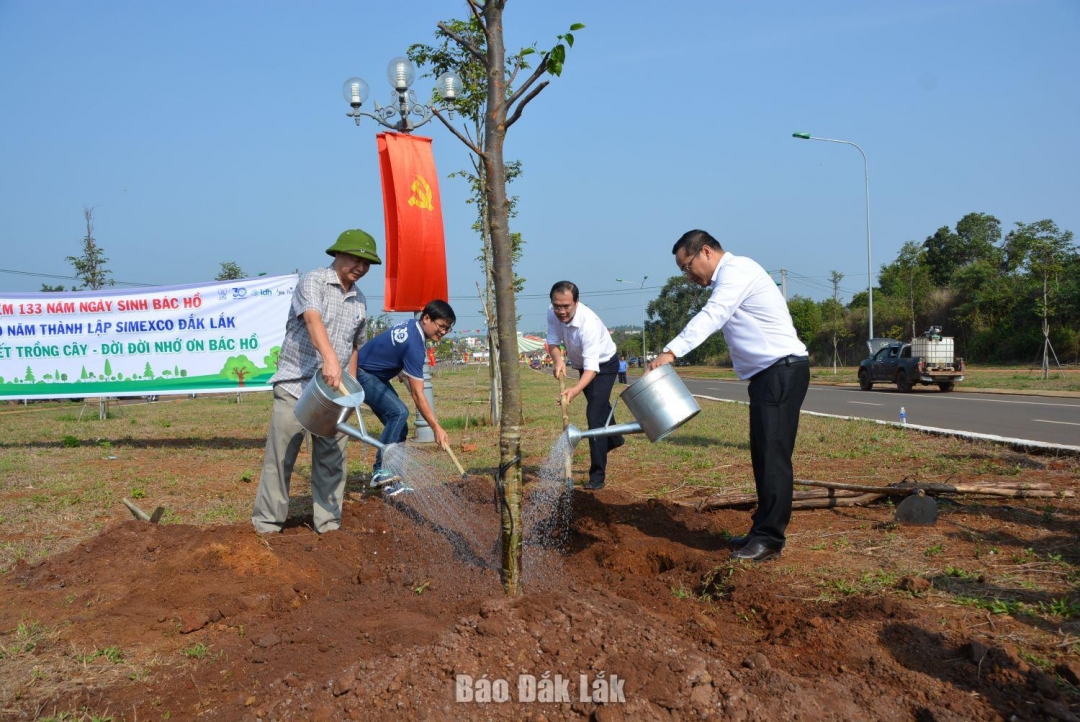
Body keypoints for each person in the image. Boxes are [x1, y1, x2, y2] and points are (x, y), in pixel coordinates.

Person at [647, 229, 809, 562]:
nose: (688, 276)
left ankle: (770, 539)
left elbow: (712, 315)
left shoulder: (737, 272)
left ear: (705, 251)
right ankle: (761, 529)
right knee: (763, 455)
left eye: (687, 266)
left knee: (773, 457)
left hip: (781, 370)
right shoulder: (730, 277)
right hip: (769, 375)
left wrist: (672, 351)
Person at [251, 229, 378, 534]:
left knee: (332, 458)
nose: (360, 267)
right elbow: (312, 319)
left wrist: (348, 387)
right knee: (281, 456)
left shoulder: (359, 301)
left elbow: (355, 346)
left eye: (367, 262)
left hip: (333, 392)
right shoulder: (314, 281)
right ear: (337, 255)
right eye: (354, 258)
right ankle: (267, 527)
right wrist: (330, 359)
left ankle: (329, 526)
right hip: (297, 383)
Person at [355, 299, 456, 495]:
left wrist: (399, 369)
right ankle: (380, 471)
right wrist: (436, 427)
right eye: (441, 326)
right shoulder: (416, 346)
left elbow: (393, 348)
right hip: (363, 374)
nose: (443, 332)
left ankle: (392, 482)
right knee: (399, 412)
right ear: (426, 318)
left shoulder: (412, 326)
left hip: (372, 374)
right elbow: (418, 395)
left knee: (400, 425)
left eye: (447, 329)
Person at [547, 281, 624, 490]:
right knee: (600, 404)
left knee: (594, 415)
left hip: (604, 365)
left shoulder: (587, 323)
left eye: (566, 307)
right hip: (582, 365)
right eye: (557, 306)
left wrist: (574, 390)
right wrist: (558, 360)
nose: (561, 311)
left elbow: (593, 369)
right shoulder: (552, 312)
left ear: (576, 303)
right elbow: (553, 342)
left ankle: (597, 476)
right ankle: (615, 438)